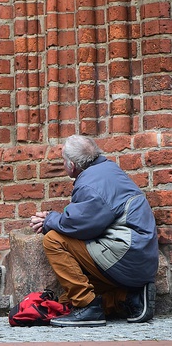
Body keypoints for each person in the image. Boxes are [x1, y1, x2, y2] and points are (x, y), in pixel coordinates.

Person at [29, 135, 158, 327]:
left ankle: (88, 307)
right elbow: (88, 217)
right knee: (65, 300)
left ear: (71, 165)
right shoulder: (107, 169)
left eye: (63, 161)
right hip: (138, 258)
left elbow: (80, 225)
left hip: (127, 256)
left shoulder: (90, 183)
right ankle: (129, 297)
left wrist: (49, 220)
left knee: (53, 240)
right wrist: (53, 217)